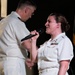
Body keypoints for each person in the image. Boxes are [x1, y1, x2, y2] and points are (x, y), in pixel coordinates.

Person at [0, 0, 37, 75]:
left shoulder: (2, 22)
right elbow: (27, 44)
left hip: (2, 63)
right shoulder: (17, 22)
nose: (30, 16)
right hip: (14, 64)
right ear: (26, 10)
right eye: (32, 13)